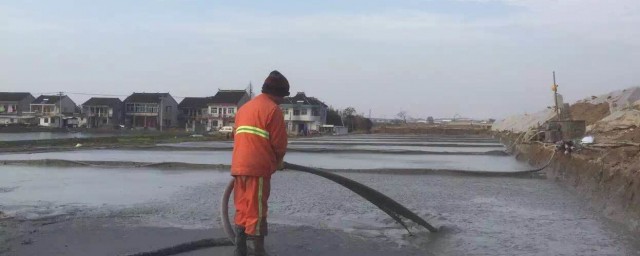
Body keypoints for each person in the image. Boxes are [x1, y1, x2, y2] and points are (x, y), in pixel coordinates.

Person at [231, 70, 289, 256]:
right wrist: (278, 161)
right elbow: (279, 144)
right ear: (277, 94)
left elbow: (239, 137)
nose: (282, 100)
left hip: (239, 166)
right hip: (258, 167)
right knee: (256, 209)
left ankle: (239, 250)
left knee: (242, 206)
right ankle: (259, 252)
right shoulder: (273, 110)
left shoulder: (245, 108)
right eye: (282, 96)